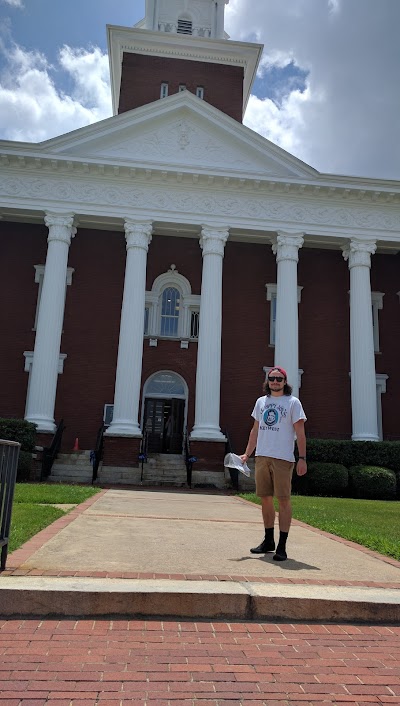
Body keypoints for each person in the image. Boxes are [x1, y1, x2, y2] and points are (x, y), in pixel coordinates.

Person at [240, 366, 307, 561]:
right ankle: (268, 541)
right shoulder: (261, 402)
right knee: (265, 498)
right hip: (262, 456)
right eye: (272, 378)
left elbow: (300, 433)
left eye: (279, 379)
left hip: (283, 458)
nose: (275, 382)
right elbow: (255, 431)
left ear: (285, 382)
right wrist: (247, 454)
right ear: (267, 381)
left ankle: (282, 546)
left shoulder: (293, 402)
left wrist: (302, 458)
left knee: (283, 500)